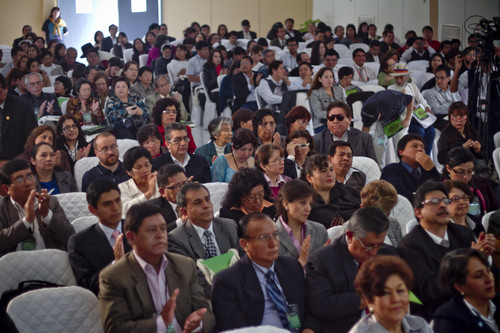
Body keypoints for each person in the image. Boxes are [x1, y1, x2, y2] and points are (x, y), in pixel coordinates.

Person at [98, 202, 215, 332]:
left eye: (163, 228)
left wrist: (198, 323)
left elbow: (207, 313)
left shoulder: (185, 265)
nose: (160, 235)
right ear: (131, 238)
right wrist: (161, 323)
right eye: (151, 230)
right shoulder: (114, 276)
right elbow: (115, 328)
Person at [397, 181, 494, 321]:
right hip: (438, 317)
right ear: (418, 212)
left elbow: (489, 281)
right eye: (434, 201)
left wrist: (485, 259)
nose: (443, 205)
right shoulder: (409, 246)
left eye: (445, 200)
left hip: (474, 310)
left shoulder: (464, 233)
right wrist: (467, 264)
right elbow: (429, 292)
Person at [211, 212, 309, 332]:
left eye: (275, 235)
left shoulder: (292, 267)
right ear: (244, 244)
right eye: (263, 237)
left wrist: (309, 329)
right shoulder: (227, 282)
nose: (273, 243)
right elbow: (235, 328)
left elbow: (309, 308)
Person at [306, 207, 398, 333]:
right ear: (350, 236)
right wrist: (366, 300)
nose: (374, 252)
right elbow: (321, 304)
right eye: (368, 245)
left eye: (379, 245)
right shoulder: (322, 261)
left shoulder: (389, 255)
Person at [168, 182, 240, 297]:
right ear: (184, 212)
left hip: (238, 290)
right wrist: (227, 294)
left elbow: (243, 261)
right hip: (206, 298)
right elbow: (193, 279)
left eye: (207, 199)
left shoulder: (229, 226)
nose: (206, 205)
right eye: (198, 203)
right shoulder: (176, 239)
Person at [68, 179, 131, 295]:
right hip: (109, 301)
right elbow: (86, 285)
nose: (115, 207)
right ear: (92, 210)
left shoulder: (137, 228)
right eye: (107, 204)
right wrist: (115, 265)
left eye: (117, 200)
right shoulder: (79, 242)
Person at [0, 159, 74, 257]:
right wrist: (26, 221)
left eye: (30, 176)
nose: (28, 183)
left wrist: (46, 214)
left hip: (50, 262)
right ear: (6, 189)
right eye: (19, 179)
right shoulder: (2, 207)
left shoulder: (50, 202)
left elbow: (70, 237)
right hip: (15, 265)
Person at [350, 255, 432, 333]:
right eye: (386, 293)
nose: (395, 299)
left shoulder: (420, 326)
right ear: (368, 300)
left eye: (400, 291)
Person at [432, 248, 500, 332]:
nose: (489, 279)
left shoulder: (498, 301)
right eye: (479, 276)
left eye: (488, 271)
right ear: (459, 286)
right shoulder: (448, 320)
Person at [275, 180, 328, 266]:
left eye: (310, 203)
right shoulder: (271, 235)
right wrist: (301, 262)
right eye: (302, 203)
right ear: (286, 204)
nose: (308, 208)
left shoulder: (320, 230)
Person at [388, 63, 435, 155]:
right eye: (396, 78)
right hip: (402, 119)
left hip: (418, 117)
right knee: (419, 131)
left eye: (401, 77)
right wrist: (408, 108)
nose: (399, 80)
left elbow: (421, 100)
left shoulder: (412, 86)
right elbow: (391, 108)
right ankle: (417, 156)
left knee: (431, 130)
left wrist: (427, 107)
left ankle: (426, 156)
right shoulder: (391, 88)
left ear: (407, 77)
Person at [302, 154, 361, 228]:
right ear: (309, 178)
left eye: (331, 169)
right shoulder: (305, 202)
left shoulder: (348, 193)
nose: (329, 174)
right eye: (323, 171)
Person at [381, 133, 440, 203]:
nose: (420, 149)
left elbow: (441, 191)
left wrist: (432, 169)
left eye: (422, 147)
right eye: (415, 146)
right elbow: (400, 195)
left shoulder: (427, 169)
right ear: (401, 152)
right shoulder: (391, 169)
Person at [444, 147, 499, 219]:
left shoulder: (482, 184)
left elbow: (495, 209)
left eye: (470, 171)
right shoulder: (440, 189)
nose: (465, 176)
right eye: (460, 172)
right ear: (448, 168)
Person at [0, 74, 37, 160]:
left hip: (17, 159)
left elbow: (32, 135)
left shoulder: (22, 105)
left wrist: (25, 156)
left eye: (0, 92)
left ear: (6, 89)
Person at [358, 180, 404, 246]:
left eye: (387, 215)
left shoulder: (393, 224)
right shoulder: (352, 230)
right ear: (362, 207)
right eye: (376, 216)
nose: (381, 221)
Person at [119, 146, 159, 217]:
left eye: (147, 165)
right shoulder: (123, 188)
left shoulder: (159, 182)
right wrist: (148, 194)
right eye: (139, 167)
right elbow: (124, 210)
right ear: (129, 172)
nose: (144, 170)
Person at [150, 165, 190, 231]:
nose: (183, 189)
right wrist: (181, 221)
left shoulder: (194, 201)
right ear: (162, 191)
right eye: (177, 185)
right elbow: (156, 232)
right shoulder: (153, 209)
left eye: (185, 183)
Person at [422, 65, 461, 131]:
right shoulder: (428, 92)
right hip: (439, 118)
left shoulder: (454, 90)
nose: (439, 81)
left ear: (448, 78)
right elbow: (435, 109)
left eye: (442, 78)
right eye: (437, 77)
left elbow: (460, 103)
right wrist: (453, 106)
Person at [308, 67, 346, 133]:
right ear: (320, 79)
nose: (329, 79)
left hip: (339, 122)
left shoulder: (339, 90)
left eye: (331, 77)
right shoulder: (315, 93)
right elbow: (318, 113)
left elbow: (345, 107)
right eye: (326, 77)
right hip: (322, 124)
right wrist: (335, 115)